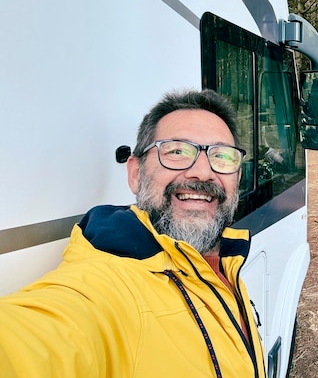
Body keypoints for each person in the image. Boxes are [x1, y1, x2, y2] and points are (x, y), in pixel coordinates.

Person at [0, 89, 266, 377]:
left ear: (237, 176)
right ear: (135, 174)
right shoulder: (103, 288)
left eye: (222, 156)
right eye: (176, 151)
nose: (203, 172)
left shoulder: (226, 256)